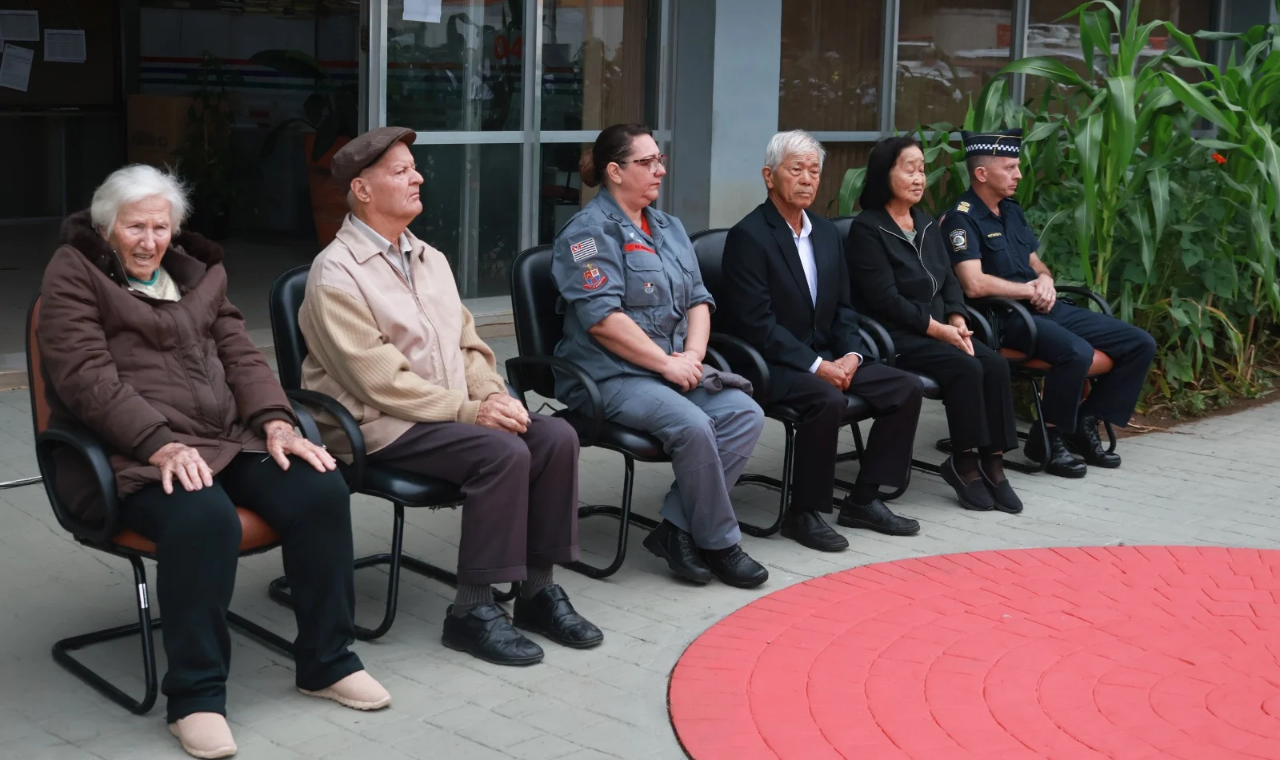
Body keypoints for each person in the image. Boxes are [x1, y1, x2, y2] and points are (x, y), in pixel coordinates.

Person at [38, 165, 390, 760]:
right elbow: (86, 380)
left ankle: (326, 661)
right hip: (130, 452)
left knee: (319, 491)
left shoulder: (198, 274)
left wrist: (274, 421)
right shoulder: (74, 275)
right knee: (204, 520)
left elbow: (240, 353)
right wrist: (157, 442)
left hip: (225, 439)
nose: (149, 241)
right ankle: (195, 698)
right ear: (106, 227)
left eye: (160, 227)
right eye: (134, 227)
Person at [298, 127, 602, 668]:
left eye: (414, 167)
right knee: (502, 452)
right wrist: (470, 411)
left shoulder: (430, 258)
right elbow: (380, 382)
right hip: (377, 425)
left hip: (445, 415)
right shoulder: (335, 273)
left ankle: (536, 590)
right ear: (363, 191)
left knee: (553, 434)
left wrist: (492, 395)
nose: (417, 177)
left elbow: (469, 346)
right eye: (400, 171)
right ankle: (472, 611)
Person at [551, 123, 769, 589]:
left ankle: (677, 528)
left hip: (670, 369)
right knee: (693, 426)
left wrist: (692, 353)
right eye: (647, 163)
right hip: (609, 376)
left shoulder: (667, 227)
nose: (660, 171)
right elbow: (602, 319)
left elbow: (698, 299)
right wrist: (667, 363)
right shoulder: (587, 234)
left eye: (660, 160)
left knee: (744, 414)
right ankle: (720, 543)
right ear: (614, 171)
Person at [720, 129, 925, 548]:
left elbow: (845, 308)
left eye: (814, 171)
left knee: (905, 387)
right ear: (769, 176)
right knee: (826, 399)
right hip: (770, 361)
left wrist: (850, 354)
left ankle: (864, 499)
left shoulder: (827, 233)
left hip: (830, 354)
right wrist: (817, 366)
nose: (808, 179)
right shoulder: (749, 237)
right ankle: (804, 512)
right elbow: (756, 323)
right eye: (796, 170)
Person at [940, 129, 1157, 478]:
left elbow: (1035, 261)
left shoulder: (1011, 211)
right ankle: (1049, 438)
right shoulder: (961, 219)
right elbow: (974, 283)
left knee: (1139, 343)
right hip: (1003, 319)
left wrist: (1045, 279)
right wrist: (1028, 291)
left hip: (1043, 307)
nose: (1019, 174)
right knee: (1076, 352)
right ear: (981, 174)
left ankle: (1083, 425)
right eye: (1010, 167)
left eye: (1017, 167)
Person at [846, 136, 1022, 513]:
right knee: (965, 366)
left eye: (922, 169)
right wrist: (940, 329)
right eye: (908, 168)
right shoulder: (868, 229)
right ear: (884, 174)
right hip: (894, 335)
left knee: (994, 363)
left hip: (940, 328)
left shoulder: (926, 223)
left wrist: (957, 317)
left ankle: (994, 463)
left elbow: (949, 281)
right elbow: (885, 300)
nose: (918, 177)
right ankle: (964, 463)